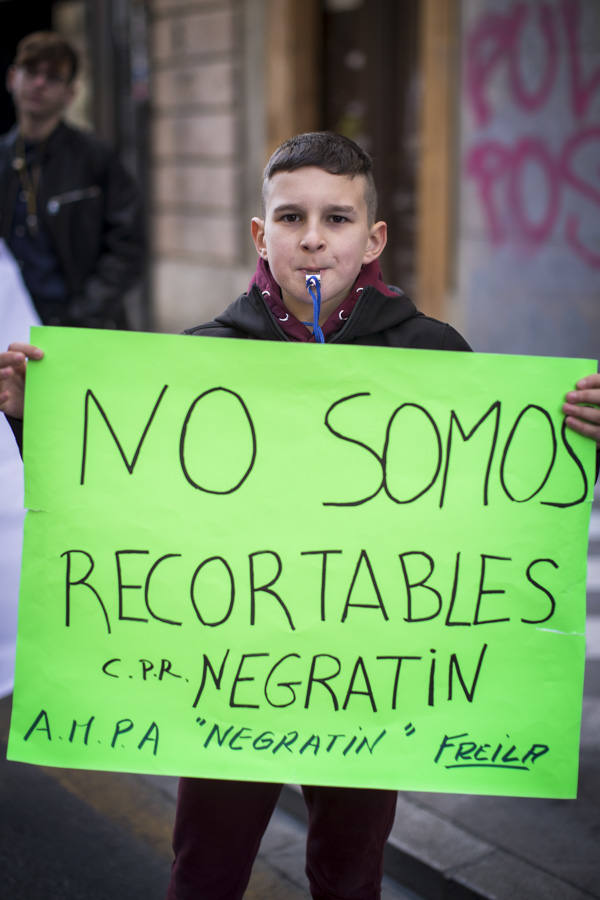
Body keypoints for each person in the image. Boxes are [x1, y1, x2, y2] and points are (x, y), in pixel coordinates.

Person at [1, 132, 599, 899]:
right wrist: (36, 419)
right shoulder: (200, 362)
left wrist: (580, 440)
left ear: (374, 236)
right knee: (205, 871)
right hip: (228, 678)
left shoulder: (437, 357)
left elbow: (497, 501)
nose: (313, 237)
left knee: (349, 875)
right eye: (290, 218)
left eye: (338, 218)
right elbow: (120, 494)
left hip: (371, 677)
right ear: (261, 234)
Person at [0, 31, 144, 329]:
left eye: (53, 77)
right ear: (12, 78)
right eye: (31, 71)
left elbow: (128, 246)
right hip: (9, 325)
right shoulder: (3, 158)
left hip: (79, 328)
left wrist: (84, 315)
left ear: (71, 93)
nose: (39, 83)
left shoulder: (96, 159)